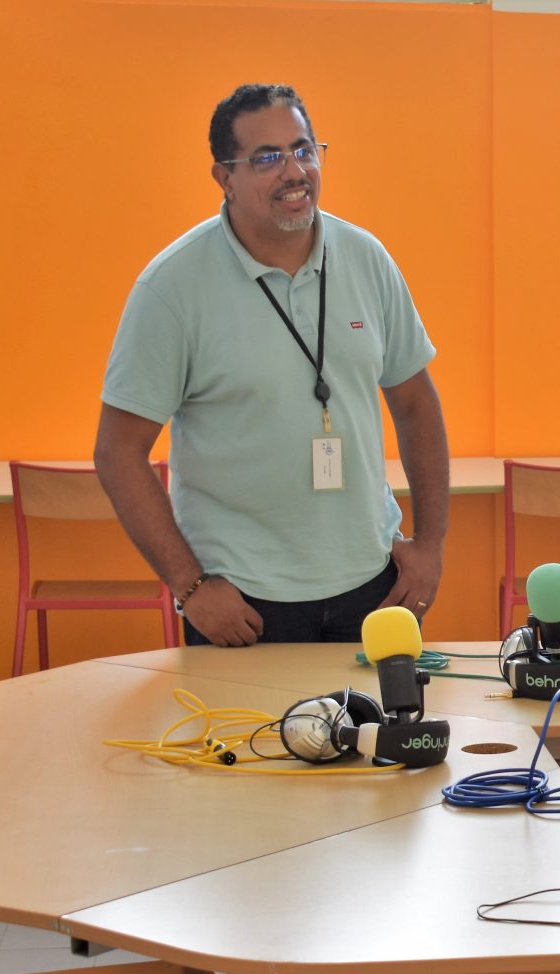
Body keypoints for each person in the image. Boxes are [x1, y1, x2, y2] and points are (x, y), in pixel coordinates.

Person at [95, 83, 449, 651]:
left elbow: (415, 404)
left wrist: (430, 545)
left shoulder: (367, 259)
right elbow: (118, 452)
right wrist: (191, 587)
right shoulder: (173, 287)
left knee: (381, 716)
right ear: (225, 178)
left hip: (374, 586)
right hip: (242, 603)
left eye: (304, 150)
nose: (294, 171)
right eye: (266, 158)